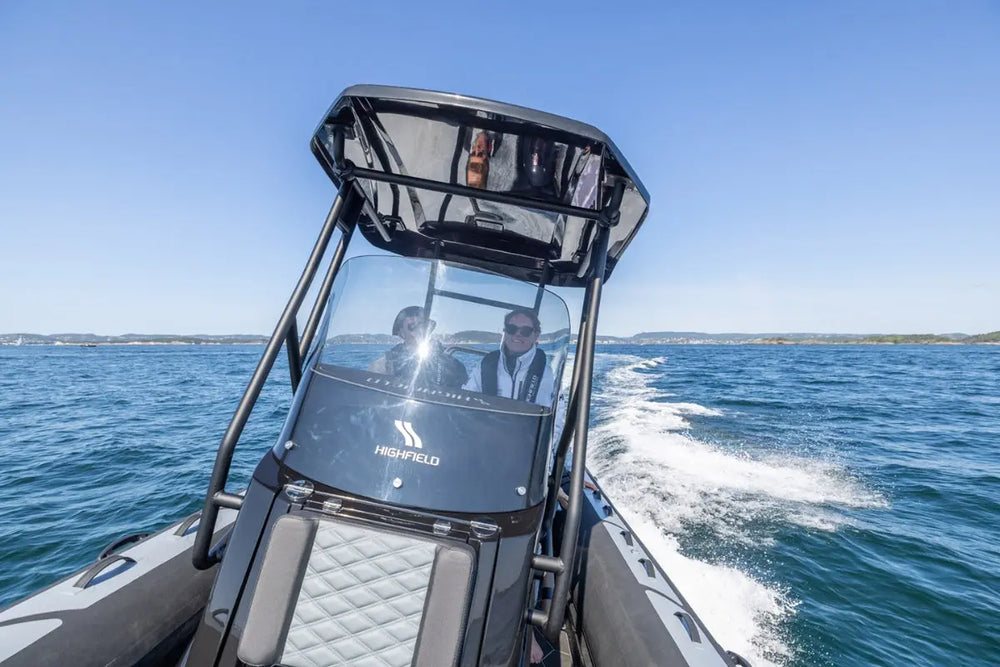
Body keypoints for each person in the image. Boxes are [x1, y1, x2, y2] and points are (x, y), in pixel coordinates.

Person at [464, 308, 555, 406]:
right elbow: (467, 399)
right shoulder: (486, 365)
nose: (517, 334)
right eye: (512, 329)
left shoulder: (548, 374)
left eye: (525, 331)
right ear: (505, 331)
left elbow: (557, 413)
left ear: (536, 336)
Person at [368, 306, 468, 389]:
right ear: (401, 333)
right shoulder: (385, 364)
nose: (419, 330)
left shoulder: (454, 364)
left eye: (422, 325)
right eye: (412, 326)